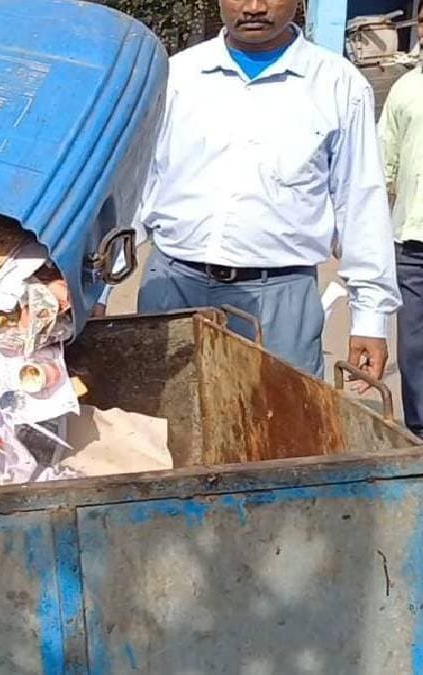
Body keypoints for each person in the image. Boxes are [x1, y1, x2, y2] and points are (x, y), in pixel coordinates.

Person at [102, 0, 400, 381]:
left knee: (280, 429)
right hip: (173, 288)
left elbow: (360, 201)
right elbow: (136, 188)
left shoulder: (337, 85)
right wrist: (99, 289)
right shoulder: (178, 76)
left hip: (280, 300)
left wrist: (371, 318)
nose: (255, 7)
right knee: (160, 430)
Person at [379, 23, 423, 436]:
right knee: (414, 348)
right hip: (412, 245)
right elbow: (382, 165)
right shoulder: (406, 89)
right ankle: (419, 432)